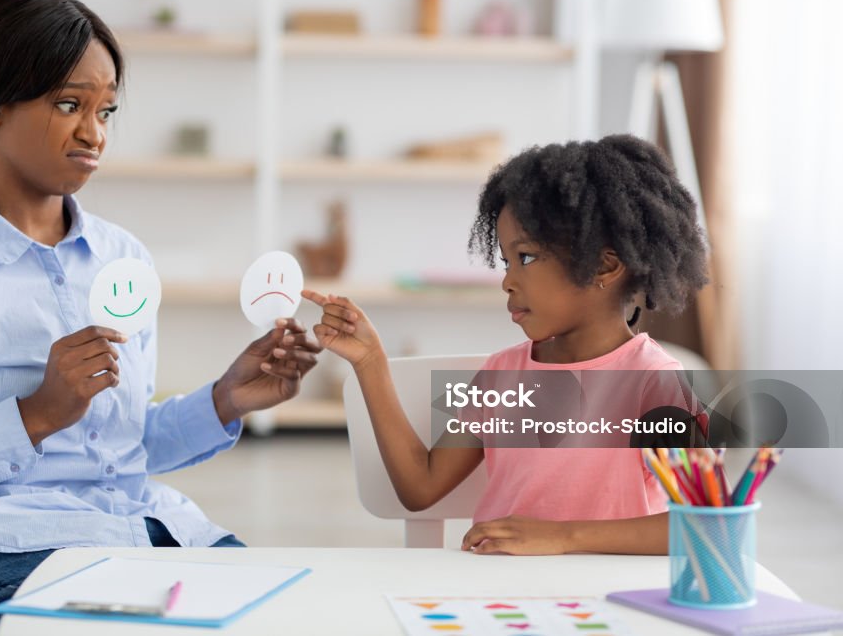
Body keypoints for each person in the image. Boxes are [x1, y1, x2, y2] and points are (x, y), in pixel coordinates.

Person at [0, 0, 321, 635]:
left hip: (143, 535)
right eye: (69, 105)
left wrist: (225, 400)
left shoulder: (124, 258)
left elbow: (119, 448)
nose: (94, 133)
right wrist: (31, 418)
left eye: (107, 110)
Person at [304, 135, 709, 556]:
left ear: (604, 266)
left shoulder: (656, 383)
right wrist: (370, 362)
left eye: (527, 257)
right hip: (495, 595)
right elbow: (420, 488)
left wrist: (562, 537)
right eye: (506, 261)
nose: (507, 280)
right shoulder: (500, 376)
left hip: (597, 603)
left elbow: (706, 523)